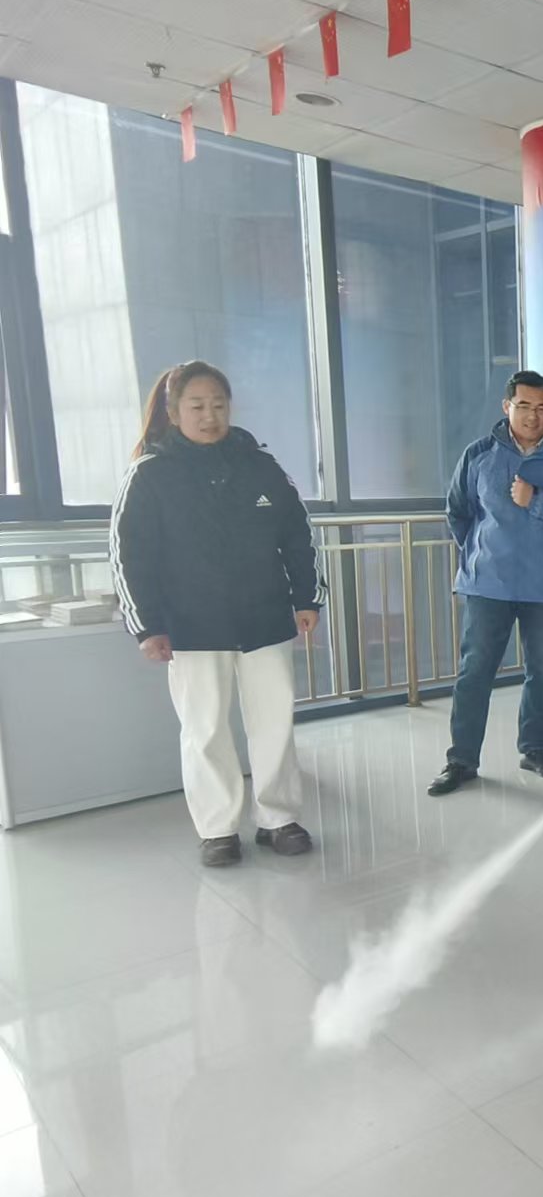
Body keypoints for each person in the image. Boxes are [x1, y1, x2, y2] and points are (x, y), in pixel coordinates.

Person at [111, 362, 323, 867]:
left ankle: (278, 818)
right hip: (192, 626)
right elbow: (129, 554)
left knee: (274, 722)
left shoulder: (260, 466)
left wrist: (307, 598)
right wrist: (147, 626)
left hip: (265, 619)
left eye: (218, 405)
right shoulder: (150, 474)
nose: (209, 416)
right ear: (173, 411)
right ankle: (218, 829)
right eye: (197, 406)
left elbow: (298, 534)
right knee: (204, 730)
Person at [428, 371, 543, 796]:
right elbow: (458, 511)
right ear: (507, 407)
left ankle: (534, 749)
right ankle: (462, 760)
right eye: (523, 406)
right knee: (475, 672)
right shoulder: (479, 454)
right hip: (489, 584)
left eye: (542, 408)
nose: (532, 416)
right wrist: (479, 553)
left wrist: (536, 500)